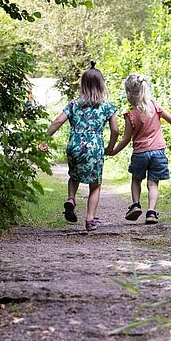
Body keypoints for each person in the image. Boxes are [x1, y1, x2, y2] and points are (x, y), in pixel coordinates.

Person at [39, 62, 119, 231]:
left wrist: (44, 139)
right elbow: (115, 130)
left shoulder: (74, 104)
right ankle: (90, 220)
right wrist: (110, 147)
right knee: (95, 185)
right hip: (95, 148)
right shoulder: (107, 106)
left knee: (74, 177)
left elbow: (58, 121)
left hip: (74, 146)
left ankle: (71, 199)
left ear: (82, 84)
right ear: (101, 85)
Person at [106, 74, 171, 224]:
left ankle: (135, 205)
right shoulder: (155, 106)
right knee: (153, 183)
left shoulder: (130, 115)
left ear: (129, 94)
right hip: (158, 152)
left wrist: (112, 151)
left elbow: (126, 138)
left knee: (136, 179)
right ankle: (151, 212)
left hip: (140, 153)